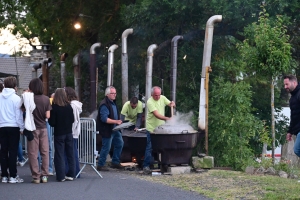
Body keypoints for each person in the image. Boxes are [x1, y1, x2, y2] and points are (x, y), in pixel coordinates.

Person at [143, 86, 175, 174]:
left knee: (162, 147)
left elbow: (170, 104)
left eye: (159, 95)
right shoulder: (150, 102)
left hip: (161, 129)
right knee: (149, 147)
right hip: (152, 129)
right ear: (152, 94)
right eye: (156, 95)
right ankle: (146, 166)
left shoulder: (163, 98)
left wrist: (172, 104)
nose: (158, 97)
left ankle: (163, 164)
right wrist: (168, 119)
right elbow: (157, 115)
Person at [0, 76, 24, 183]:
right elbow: (18, 116)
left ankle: (4, 175)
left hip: (2, 126)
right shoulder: (16, 98)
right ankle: (13, 176)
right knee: (13, 151)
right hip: (13, 126)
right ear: (14, 85)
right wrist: (22, 128)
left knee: (3, 151)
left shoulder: (0, 97)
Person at [27, 78, 51, 184]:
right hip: (43, 128)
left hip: (32, 128)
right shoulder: (46, 99)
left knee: (33, 153)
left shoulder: (29, 99)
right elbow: (47, 115)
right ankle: (45, 175)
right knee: (44, 152)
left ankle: (36, 176)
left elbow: (23, 110)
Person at [49, 88, 75, 182]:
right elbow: (72, 120)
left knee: (59, 154)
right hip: (69, 132)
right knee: (70, 154)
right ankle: (71, 174)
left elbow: (52, 122)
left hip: (59, 133)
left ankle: (61, 175)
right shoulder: (69, 106)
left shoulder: (55, 107)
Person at [96, 86, 124, 171]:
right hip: (107, 129)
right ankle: (101, 164)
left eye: (115, 93)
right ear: (107, 94)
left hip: (115, 129)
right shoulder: (104, 104)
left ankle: (115, 162)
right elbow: (104, 119)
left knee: (120, 144)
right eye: (112, 93)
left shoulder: (113, 103)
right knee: (106, 147)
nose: (114, 95)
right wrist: (116, 121)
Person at [64, 87, 82, 178]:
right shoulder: (75, 105)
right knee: (73, 152)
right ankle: (75, 171)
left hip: (72, 132)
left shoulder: (73, 105)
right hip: (74, 132)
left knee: (71, 153)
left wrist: (70, 130)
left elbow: (74, 120)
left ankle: (73, 171)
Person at [284, 75, 300, 157]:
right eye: (284, 85)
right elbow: (293, 116)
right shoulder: (293, 98)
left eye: (287, 84)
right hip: (297, 130)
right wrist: (290, 131)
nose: (285, 87)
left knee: (297, 149)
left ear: (294, 83)